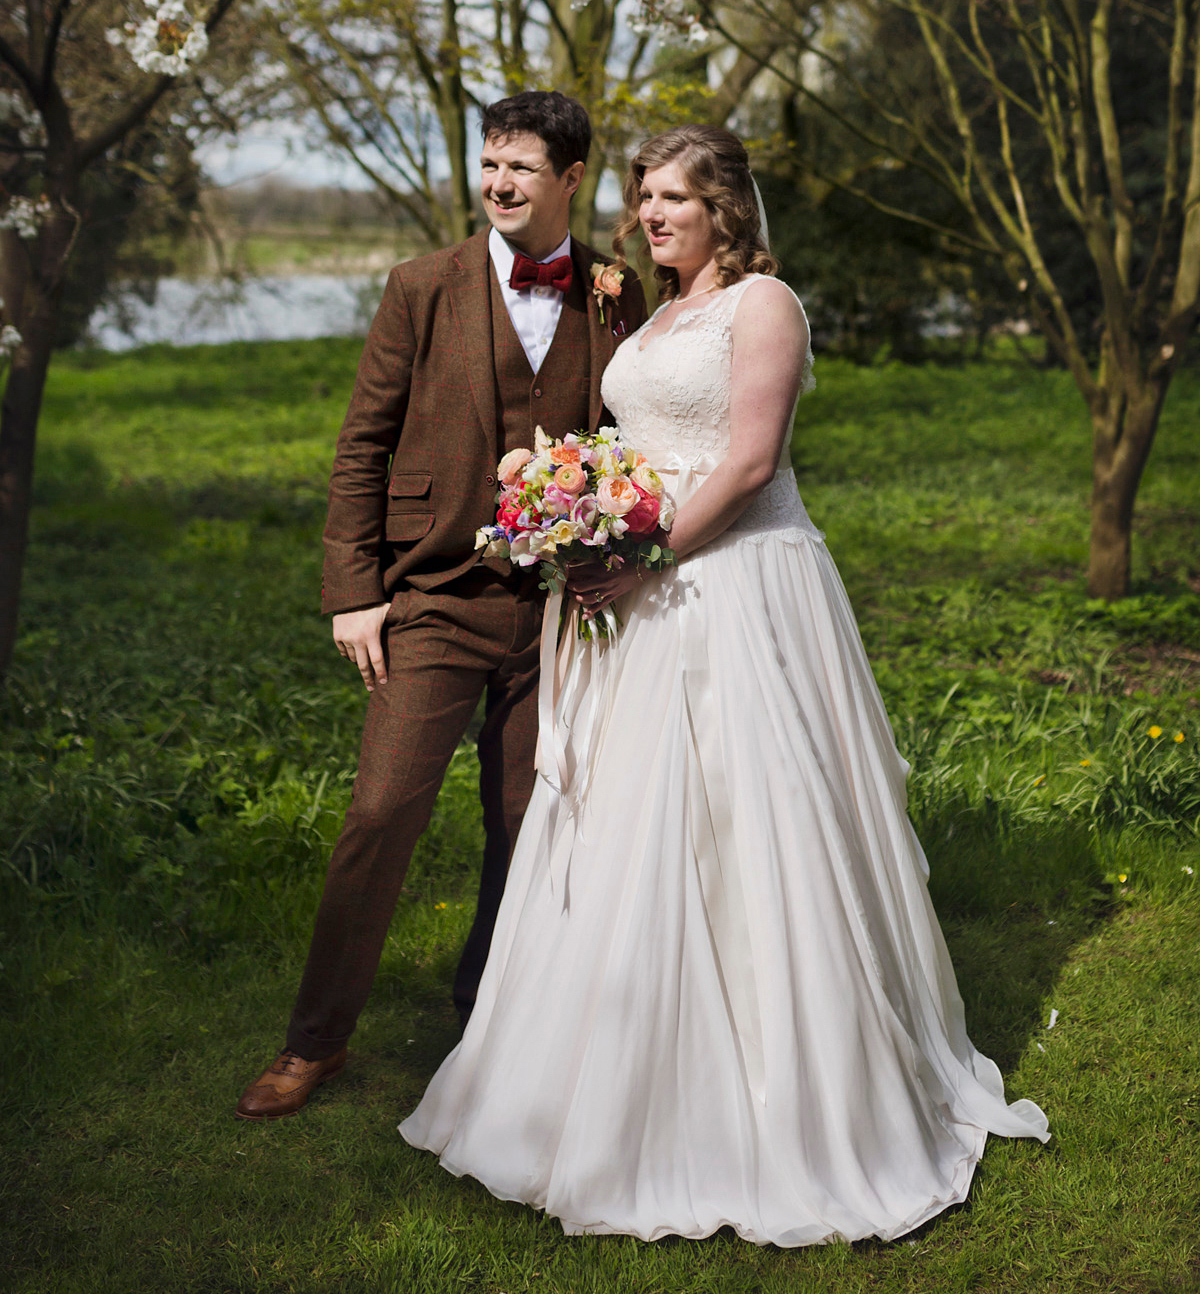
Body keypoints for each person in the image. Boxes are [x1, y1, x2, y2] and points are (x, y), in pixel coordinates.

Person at [399, 124, 1048, 1245]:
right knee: (626, 828)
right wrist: (581, 518)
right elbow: (634, 448)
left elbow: (748, 462)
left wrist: (639, 556)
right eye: (644, 197)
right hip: (637, 589)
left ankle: (792, 1093)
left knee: (758, 826)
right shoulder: (652, 318)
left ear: (725, 211)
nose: (651, 215)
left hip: (739, 581)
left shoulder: (766, 307)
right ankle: (594, 1087)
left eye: (675, 200)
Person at [235, 90, 647, 1121]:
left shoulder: (613, 289)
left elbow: (629, 442)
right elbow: (362, 443)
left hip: (553, 611)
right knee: (380, 813)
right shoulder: (421, 285)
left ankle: (491, 1027)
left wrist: (616, 548)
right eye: (489, 164)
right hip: (429, 598)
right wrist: (355, 591)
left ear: (568, 180)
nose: (499, 183)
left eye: (520, 168)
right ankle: (314, 1042)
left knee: (530, 831)